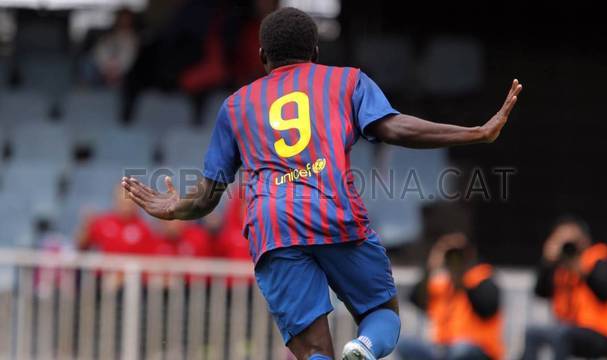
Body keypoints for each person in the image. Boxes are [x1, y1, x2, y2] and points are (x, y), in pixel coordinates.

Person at [122, 7, 522, 360]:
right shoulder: (346, 81)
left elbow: (208, 196)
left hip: (272, 227)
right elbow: (394, 127)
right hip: (333, 210)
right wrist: (474, 132)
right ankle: (363, 349)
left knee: (314, 351)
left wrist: (173, 208)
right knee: (381, 314)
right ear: (316, 53)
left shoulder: (236, 106)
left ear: (263, 58)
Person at [521, 216, 607, 360]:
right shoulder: (559, 266)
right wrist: (547, 262)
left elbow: (605, 293)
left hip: (604, 332)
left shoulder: (597, 257)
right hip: (570, 328)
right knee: (532, 333)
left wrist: (581, 270)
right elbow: (541, 292)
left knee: (562, 334)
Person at [398, 233, 503, 360]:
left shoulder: (482, 278)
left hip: (479, 349)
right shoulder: (443, 283)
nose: (455, 259)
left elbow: (487, 309)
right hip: (443, 348)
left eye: (459, 253)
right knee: (405, 345)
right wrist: (432, 265)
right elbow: (415, 297)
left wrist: (464, 278)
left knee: (460, 350)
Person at [77, 185, 153, 255]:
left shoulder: (145, 228)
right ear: (115, 201)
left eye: (129, 202)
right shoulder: (103, 222)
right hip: (106, 269)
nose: (125, 207)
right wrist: (86, 225)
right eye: (122, 202)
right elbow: (81, 246)